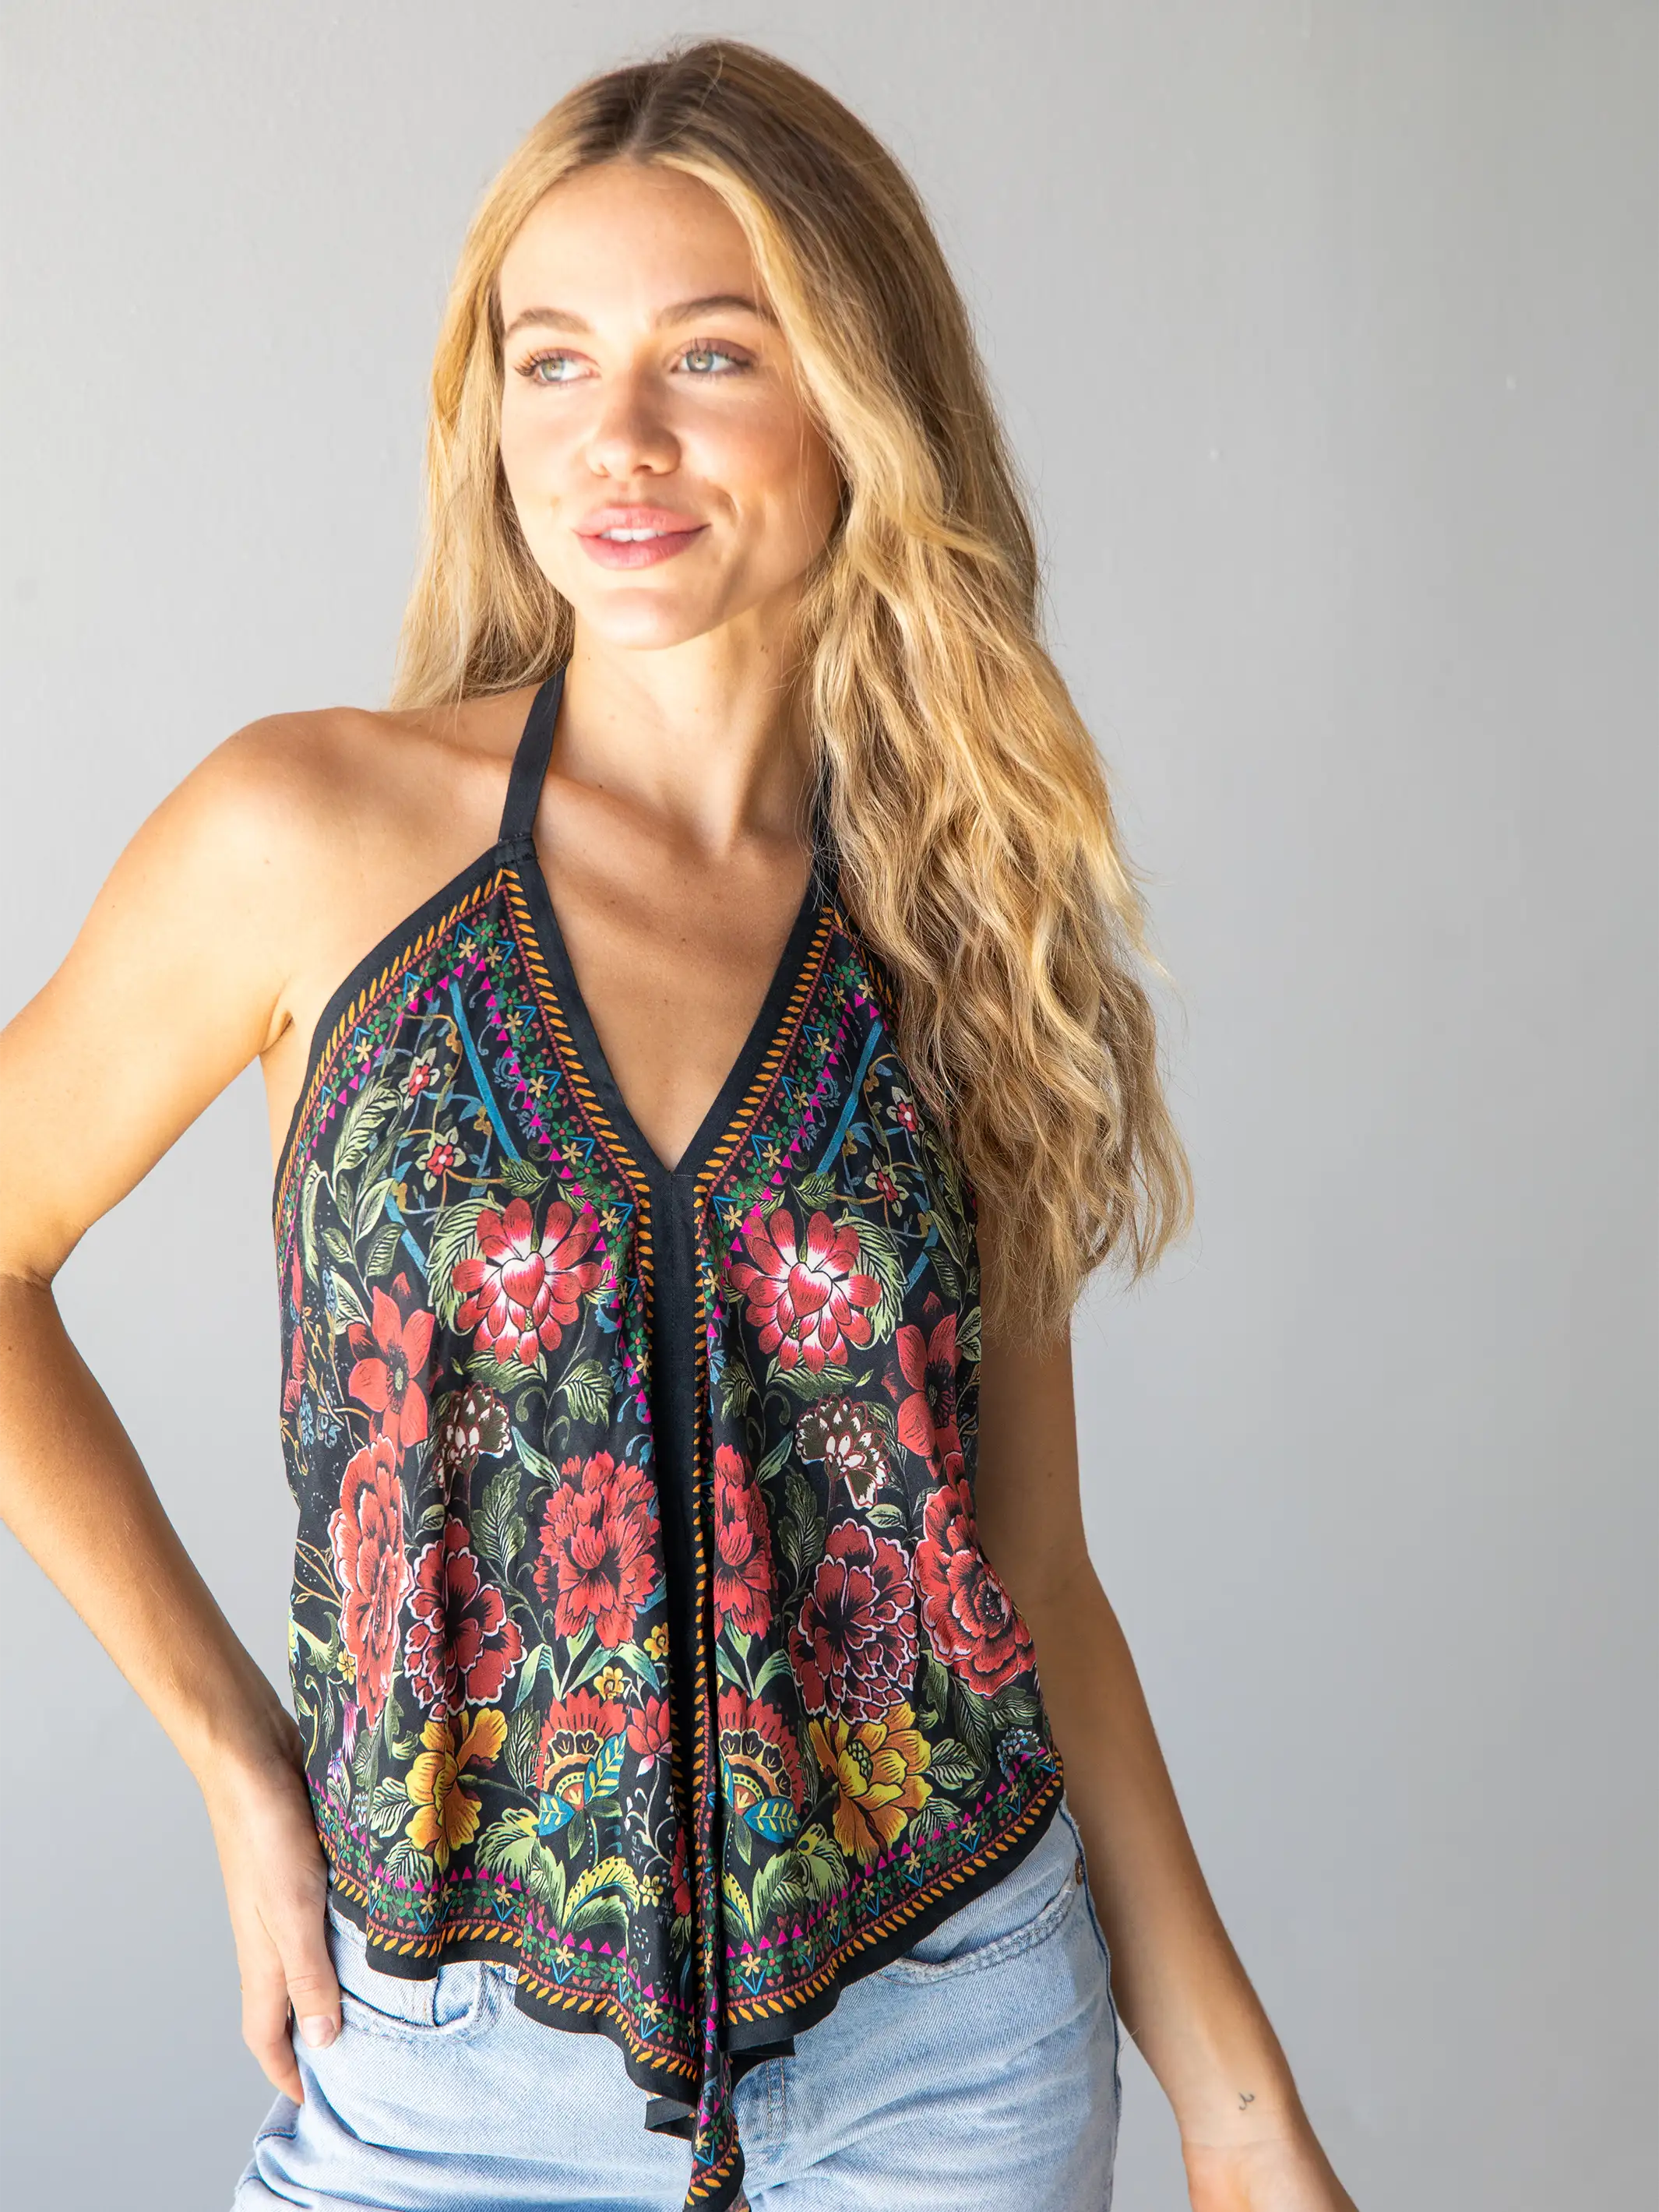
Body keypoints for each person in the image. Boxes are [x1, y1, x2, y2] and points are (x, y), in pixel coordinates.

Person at [0, 35, 1361, 2212]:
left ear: (858, 403)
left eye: (709, 356)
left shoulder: (952, 923)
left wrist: (1241, 2110)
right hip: (444, 2084)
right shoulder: (312, 837)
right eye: (551, 362)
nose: (613, 439)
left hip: (948, 2067)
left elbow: (1025, 1566)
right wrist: (239, 1758)